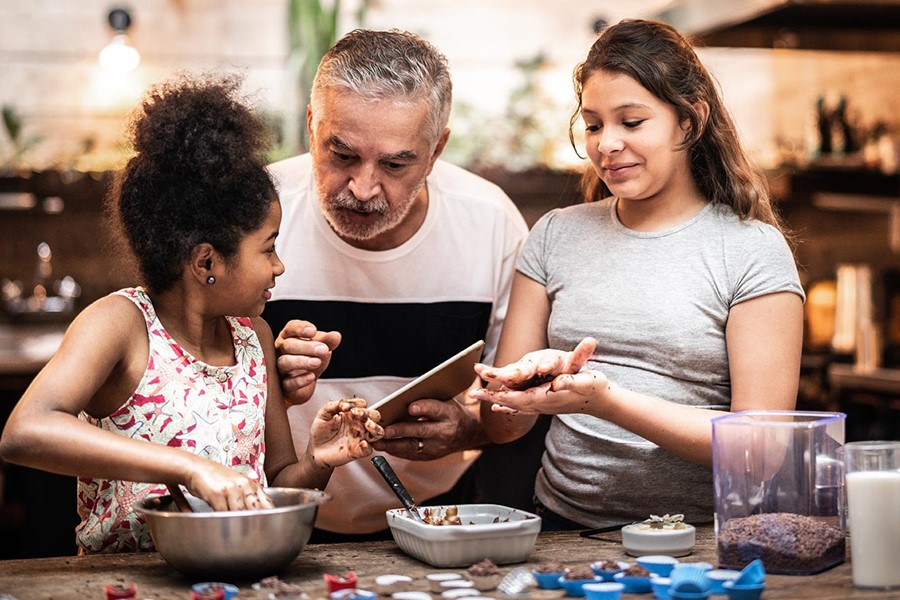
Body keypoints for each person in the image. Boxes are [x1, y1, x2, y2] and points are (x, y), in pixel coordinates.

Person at [0, 73, 383, 554]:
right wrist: (187, 466)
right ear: (206, 262)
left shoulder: (255, 339)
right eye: (268, 249)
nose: (279, 266)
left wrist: (320, 458)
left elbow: (277, 478)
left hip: (234, 579)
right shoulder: (122, 326)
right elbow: (24, 431)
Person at [470, 19, 805, 531]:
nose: (606, 144)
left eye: (631, 122)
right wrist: (521, 385)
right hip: (562, 531)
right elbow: (502, 429)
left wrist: (604, 400)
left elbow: (759, 452)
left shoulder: (751, 251)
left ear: (689, 123)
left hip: (703, 541)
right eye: (594, 124)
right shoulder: (555, 235)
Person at [262, 29, 529, 541]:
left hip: (442, 515)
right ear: (312, 125)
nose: (363, 189)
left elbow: (514, 403)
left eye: (395, 164)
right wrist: (266, 374)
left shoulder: (490, 222)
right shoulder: (255, 212)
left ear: (436, 150)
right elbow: (181, 382)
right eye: (341, 156)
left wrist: (467, 427)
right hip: (269, 516)